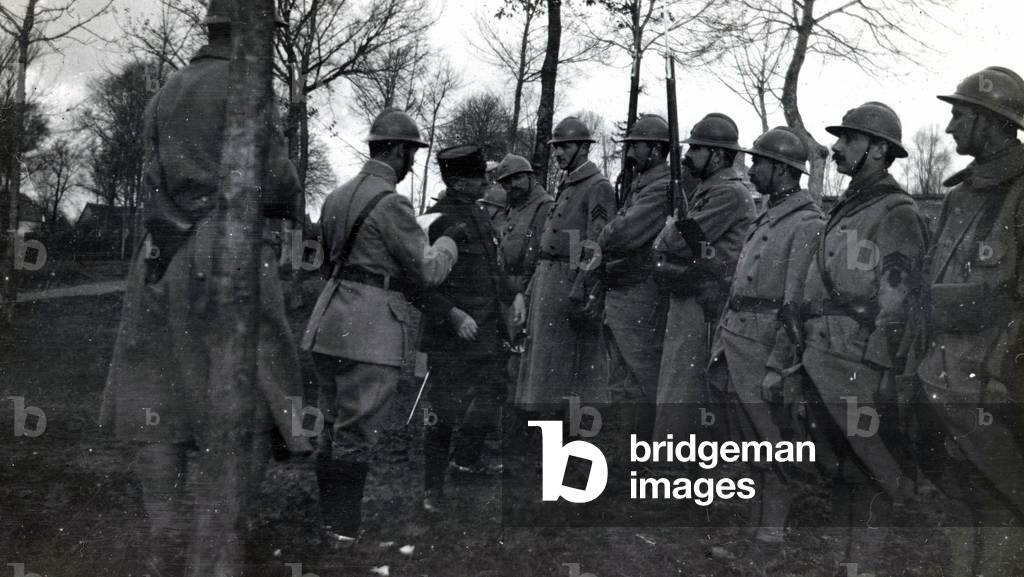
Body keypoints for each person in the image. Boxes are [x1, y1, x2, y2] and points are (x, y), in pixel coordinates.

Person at [100, 3, 311, 573]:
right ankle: (220, 538)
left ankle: (167, 529)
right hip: (231, 247)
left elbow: (150, 181)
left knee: (158, 397)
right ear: (249, 34)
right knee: (264, 387)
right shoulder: (248, 90)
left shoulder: (165, 92)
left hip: (162, 255)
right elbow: (281, 181)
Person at [301, 108, 465, 544]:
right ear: (392, 149)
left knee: (329, 424)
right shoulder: (392, 203)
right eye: (409, 152)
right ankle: (343, 530)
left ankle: (330, 521)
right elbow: (427, 271)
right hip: (369, 331)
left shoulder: (335, 196)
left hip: (328, 321)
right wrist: (448, 241)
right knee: (356, 431)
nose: (412, 162)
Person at [800, 101, 928, 576]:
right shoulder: (851, 205)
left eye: (848, 140)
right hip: (823, 354)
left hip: (858, 362)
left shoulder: (896, 212)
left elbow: (898, 306)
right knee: (839, 465)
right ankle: (843, 564)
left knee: (872, 467)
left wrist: (879, 371)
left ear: (877, 150)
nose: (836, 147)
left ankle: (865, 567)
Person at [908, 66, 1024, 576]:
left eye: (959, 115)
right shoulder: (958, 196)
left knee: (1002, 501)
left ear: (991, 121)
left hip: (994, 384)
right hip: (940, 379)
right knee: (955, 492)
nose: (951, 128)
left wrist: (1003, 371)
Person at [706, 126, 824, 559]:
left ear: (781, 170)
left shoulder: (807, 224)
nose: (751, 169)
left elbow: (797, 305)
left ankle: (770, 544)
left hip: (764, 349)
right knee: (749, 447)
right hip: (738, 342)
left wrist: (779, 365)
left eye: (759, 162)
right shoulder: (769, 215)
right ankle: (754, 538)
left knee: (773, 448)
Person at [418, 144, 513, 513]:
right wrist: (452, 315)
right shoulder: (434, 220)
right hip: (451, 335)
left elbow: (493, 270)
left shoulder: (478, 215)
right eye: (479, 177)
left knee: (494, 391)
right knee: (443, 410)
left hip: (487, 331)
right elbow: (417, 285)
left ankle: (467, 458)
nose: (486, 182)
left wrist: (515, 293)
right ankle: (432, 489)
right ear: (458, 181)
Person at [651, 112, 756, 441]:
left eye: (697, 149)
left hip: (706, 300)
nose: (688, 155)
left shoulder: (728, 193)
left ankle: (682, 467)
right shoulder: (709, 189)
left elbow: (675, 242)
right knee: (679, 385)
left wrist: (670, 230)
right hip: (694, 292)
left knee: (686, 388)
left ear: (719, 155)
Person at [516, 117, 615, 410]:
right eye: (556, 147)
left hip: (568, 284)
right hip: (549, 279)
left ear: (584, 148)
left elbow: (594, 243)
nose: (558, 153)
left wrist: (581, 288)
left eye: (565, 146)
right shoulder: (567, 184)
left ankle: (569, 440)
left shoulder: (597, 187)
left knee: (566, 368)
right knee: (545, 366)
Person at [598, 114, 673, 439]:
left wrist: (608, 232)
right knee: (623, 377)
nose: (629, 154)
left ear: (655, 150)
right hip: (623, 291)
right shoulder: (642, 184)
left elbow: (621, 235)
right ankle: (629, 455)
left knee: (641, 374)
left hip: (640, 294)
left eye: (636, 147)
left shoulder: (660, 188)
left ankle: (644, 452)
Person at [492, 153, 554, 383]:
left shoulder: (545, 206)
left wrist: (527, 293)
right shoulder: (513, 207)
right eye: (506, 182)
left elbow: (543, 253)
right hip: (508, 288)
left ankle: (523, 414)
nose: (511, 186)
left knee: (523, 357)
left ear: (530, 177)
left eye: (516, 179)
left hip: (529, 288)